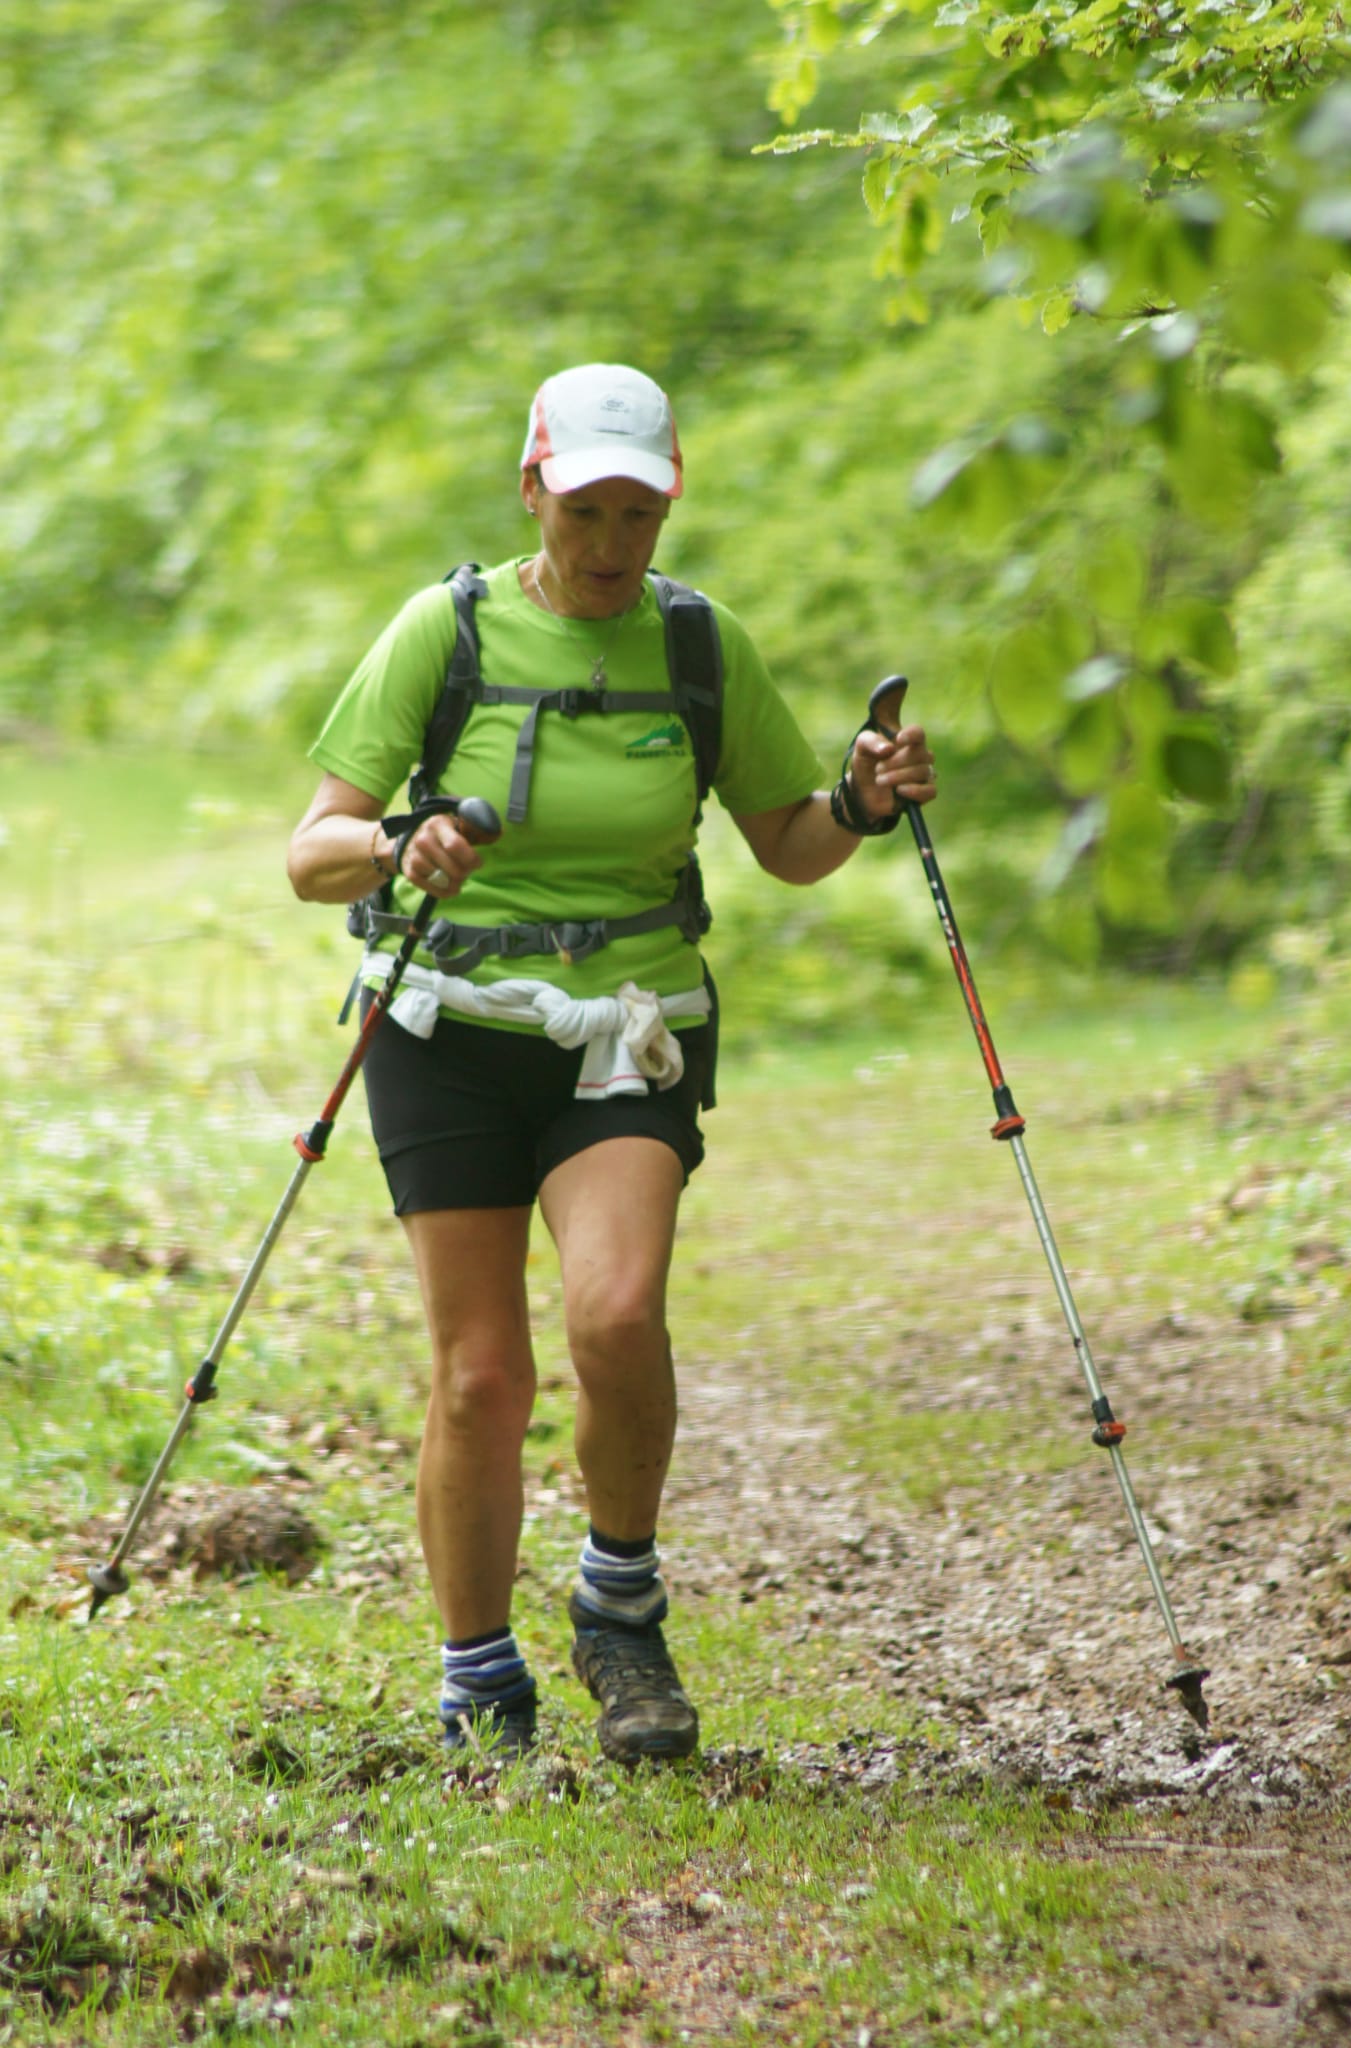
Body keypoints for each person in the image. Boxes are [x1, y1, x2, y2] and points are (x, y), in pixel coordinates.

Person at [286, 363, 936, 1765]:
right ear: (534, 491)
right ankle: (477, 1676)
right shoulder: (441, 632)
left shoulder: (699, 648)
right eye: (586, 511)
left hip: (630, 1029)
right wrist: (404, 847)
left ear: (666, 512)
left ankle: (618, 1602)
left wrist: (860, 803)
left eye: (638, 515)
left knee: (618, 1314)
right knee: (479, 1380)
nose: (609, 544)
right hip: (447, 1031)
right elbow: (310, 854)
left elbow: (789, 844)